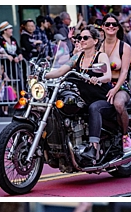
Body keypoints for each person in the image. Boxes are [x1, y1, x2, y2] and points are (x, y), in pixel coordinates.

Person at [45, 25, 112, 163]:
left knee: (94, 108)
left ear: (95, 40)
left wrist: (97, 78)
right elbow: (60, 71)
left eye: (85, 37)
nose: (81, 40)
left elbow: (108, 76)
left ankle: (93, 148)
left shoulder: (101, 56)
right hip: (84, 99)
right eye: (79, 37)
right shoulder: (77, 57)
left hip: (102, 99)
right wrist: (44, 75)